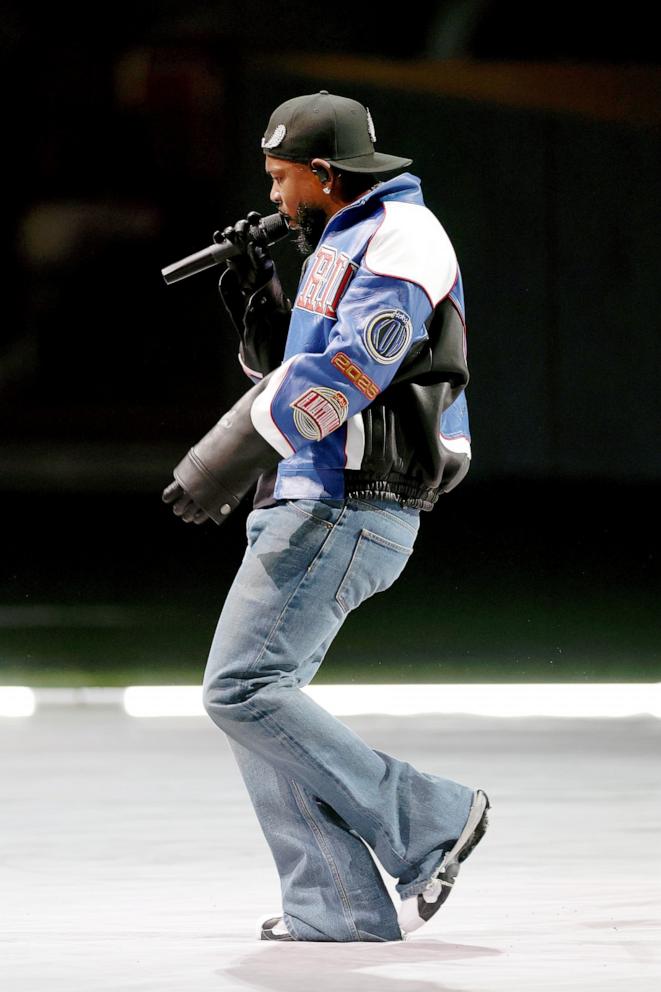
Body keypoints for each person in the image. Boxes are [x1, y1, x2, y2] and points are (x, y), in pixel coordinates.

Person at [162, 90, 489, 942]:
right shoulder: (343, 238)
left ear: (324, 173)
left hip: (354, 502)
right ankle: (335, 905)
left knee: (242, 690)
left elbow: (349, 369)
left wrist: (222, 459)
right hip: (314, 499)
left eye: (280, 181)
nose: (272, 199)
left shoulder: (402, 237)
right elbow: (293, 365)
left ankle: (428, 819)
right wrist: (260, 294)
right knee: (259, 704)